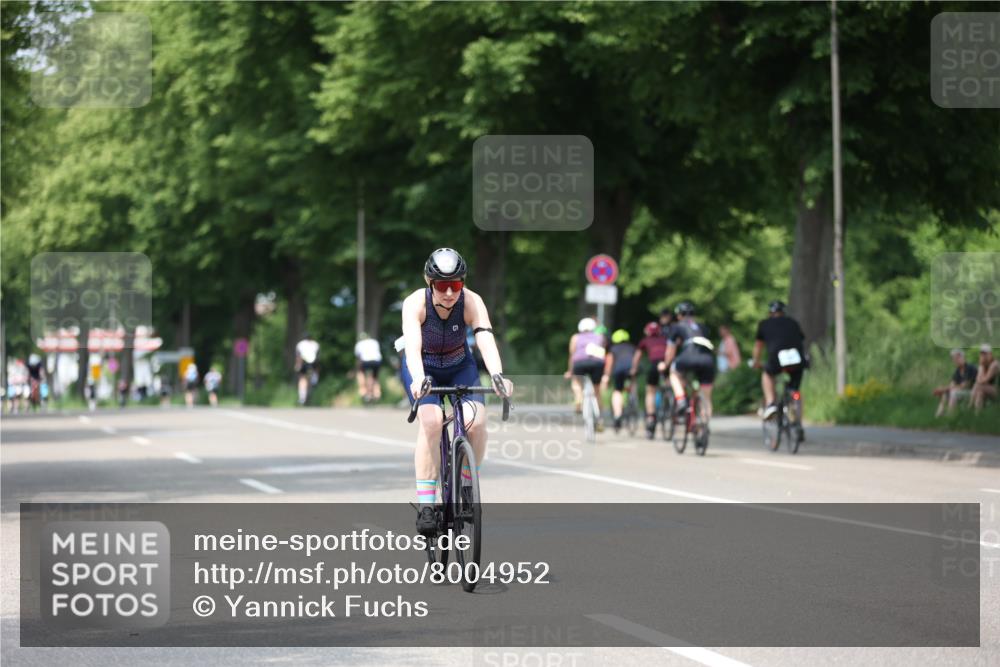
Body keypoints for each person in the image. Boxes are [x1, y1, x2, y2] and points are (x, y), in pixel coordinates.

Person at [400, 248, 512, 536]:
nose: (449, 292)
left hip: (459, 365)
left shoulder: (472, 301)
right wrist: (418, 379)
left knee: (477, 422)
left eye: (456, 285)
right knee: (432, 421)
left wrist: (497, 374)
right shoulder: (415, 303)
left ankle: (465, 483)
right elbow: (412, 347)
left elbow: (485, 338)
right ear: (429, 282)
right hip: (423, 367)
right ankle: (427, 506)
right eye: (441, 285)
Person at [751, 300, 806, 421]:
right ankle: (798, 420)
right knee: (795, 389)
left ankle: (770, 404)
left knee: (767, 374)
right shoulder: (793, 323)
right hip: (798, 360)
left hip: (777, 359)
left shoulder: (764, 324)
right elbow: (801, 339)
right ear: (783, 312)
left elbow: (758, 346)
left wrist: (756, 361)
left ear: (770, 313)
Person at [664, 301, 717, 421]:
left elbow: (670, 351)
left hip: (687, 357)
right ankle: (703, 427)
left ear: (679, 315)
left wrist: (666, 364)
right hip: (707, 359)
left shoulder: (676, 326)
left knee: (674, 373)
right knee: (706, 396)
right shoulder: (702, 326)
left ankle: (681, 399)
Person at [564, 316, 607, 431]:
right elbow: (603, 352)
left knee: (576, 382)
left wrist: (570, 371)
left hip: (580, 363)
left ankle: (579, 398)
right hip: (597, 363)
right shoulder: (600, 337)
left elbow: (572, 355)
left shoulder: (575, 337)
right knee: (597, 391)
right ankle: (600, 419)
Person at [631, 321, 668, 438]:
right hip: (666, 364)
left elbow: (637, 356)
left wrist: (634, 368)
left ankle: (651, 417)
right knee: (671, 384)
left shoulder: (645, 341)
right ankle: (672, 404)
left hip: (654, 365)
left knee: (650, 392)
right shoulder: (665, 339)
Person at [604, 328, 636, 433]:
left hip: (619, 370)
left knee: (617, 391)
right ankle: (632, 395)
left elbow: (609, 363)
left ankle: (618, 415)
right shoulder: (632, 347)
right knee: (632, 382)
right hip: (631, 370)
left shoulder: (613, 349)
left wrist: (607, 376)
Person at [933, 349, 977, 417]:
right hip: (961, 392)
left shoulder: (970, 368)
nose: (955, 361)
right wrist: (943, 389)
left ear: (962, 357)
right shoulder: (958, 370)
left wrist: (945, 388)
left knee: (953, 392)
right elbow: (952, 384)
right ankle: (938, 416)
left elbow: (965, 386)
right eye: (953, 359)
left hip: (972, 392)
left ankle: (950, 415)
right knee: (945, 393)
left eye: (957, 358)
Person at [354, 333, 383, 403]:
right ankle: (376, 392)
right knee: (375, 376)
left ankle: (363, 390)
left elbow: (358, 357)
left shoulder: (359, 344)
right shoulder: (374, 342)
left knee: (360, 372)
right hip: (377, 361)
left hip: (366, 361)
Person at [971, 344, 999, 412]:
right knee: (980, 393)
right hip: (988, 389)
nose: (984, 356)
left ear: (990, 354)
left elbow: (985, 380)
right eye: (982, 354)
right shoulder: (982, 365)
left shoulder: (995, 364)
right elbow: (978, 379)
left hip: (997, 390)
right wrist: (982, 366)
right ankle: (977, 416)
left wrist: (981, 379)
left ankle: (970, 406)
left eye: (986, 354)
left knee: (978, 386)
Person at [294, 332, 320, 406]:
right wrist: (317, 370)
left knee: (302, 379)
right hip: (313, 364)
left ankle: (302, 398)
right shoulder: (316, 344)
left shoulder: (300, 344)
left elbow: (298, 356)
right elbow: (318, 358)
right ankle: (308, 395)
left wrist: (297, 365)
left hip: (304, 363)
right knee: (309, 379)